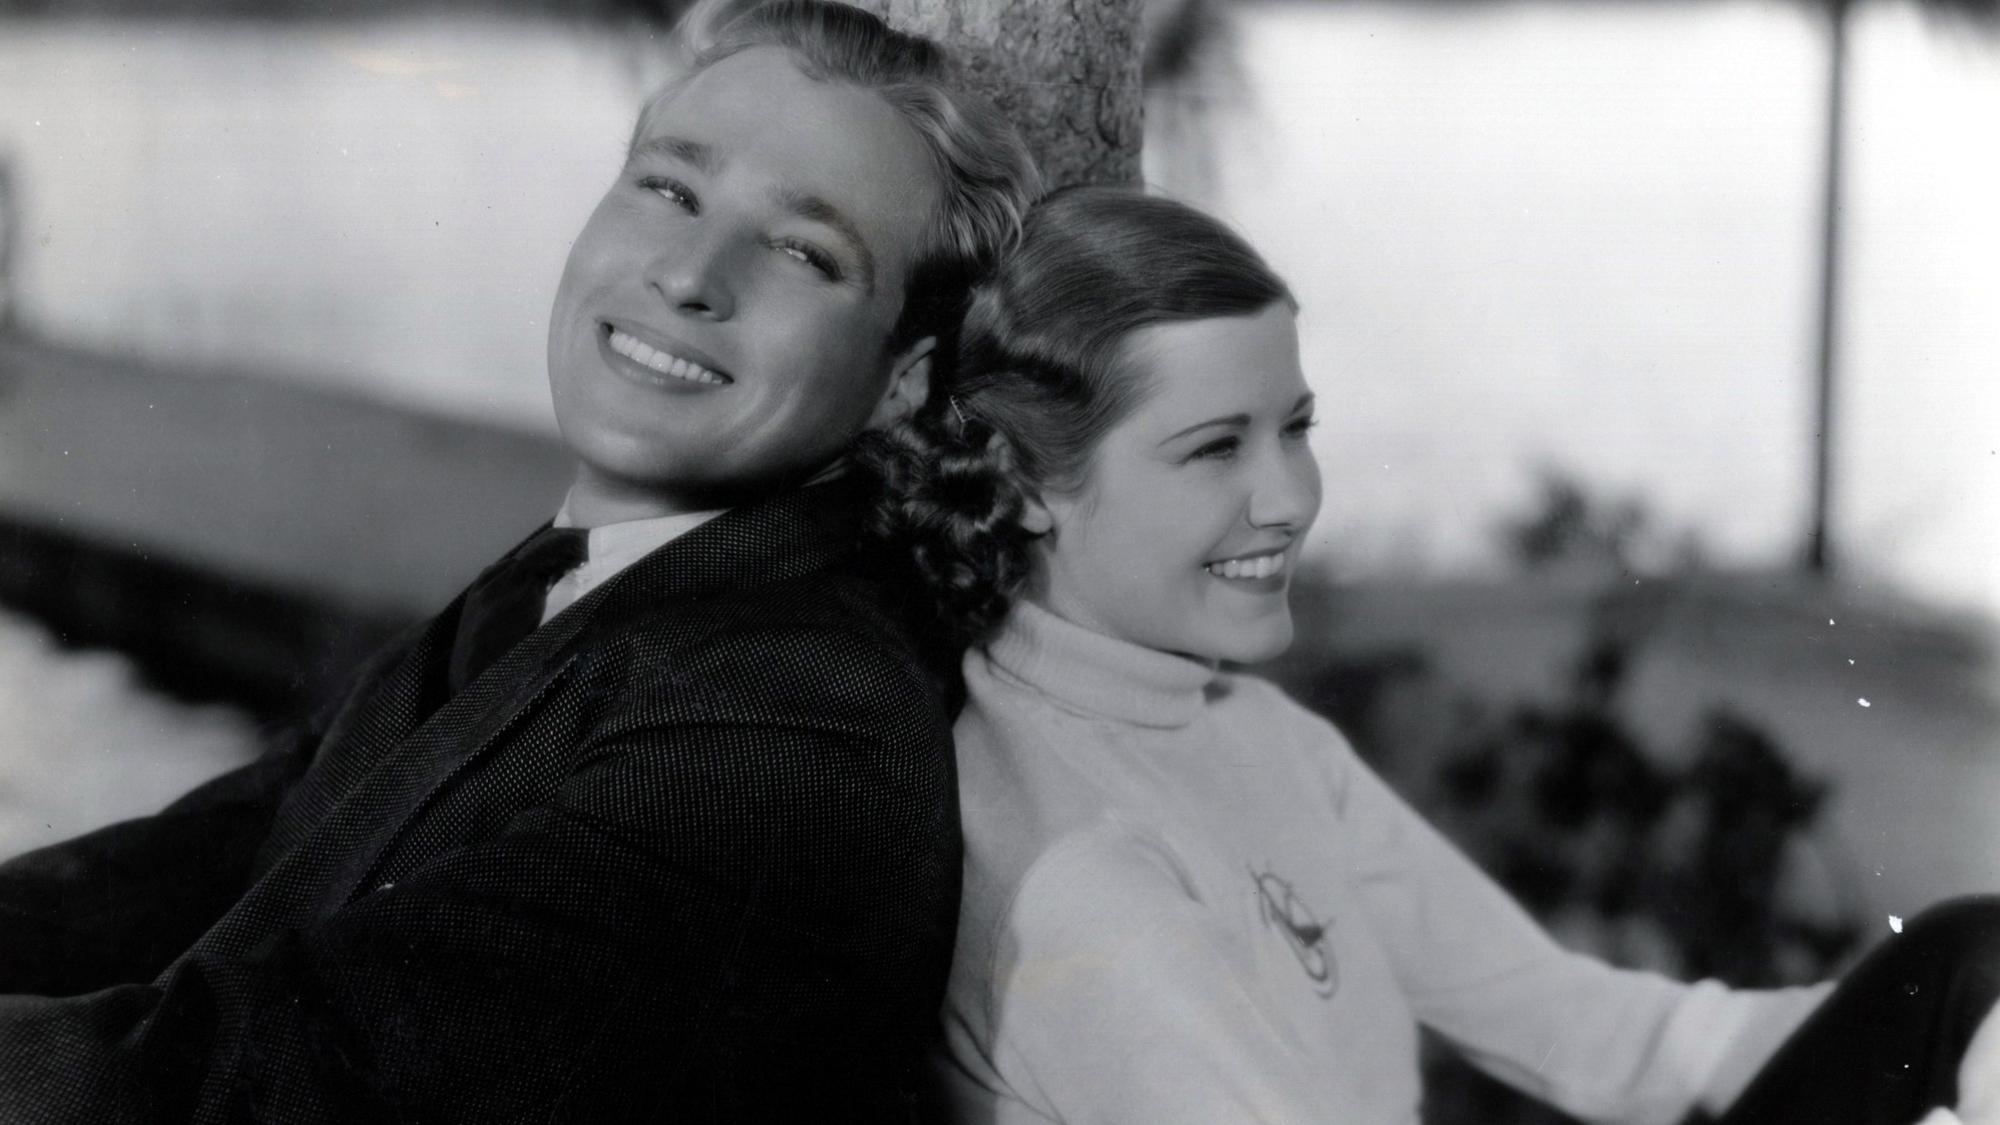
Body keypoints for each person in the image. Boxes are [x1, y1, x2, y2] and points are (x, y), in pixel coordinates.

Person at [0, 2, 1039, 1120]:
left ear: (901, 380)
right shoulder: (596, 575)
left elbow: (303, 1082)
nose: (690, 273)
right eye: (670, 188)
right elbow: (226, 845)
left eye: (801, 250)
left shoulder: (791, 725)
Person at [866, 185, 2000, 1125]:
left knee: (1973, 966)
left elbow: (1586, 1029)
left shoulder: (1247, 735)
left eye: (1295, 427)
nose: (1291, 498)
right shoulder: (1078, 877)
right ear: (1021, 487)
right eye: (1214, 449)